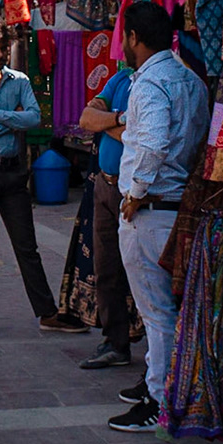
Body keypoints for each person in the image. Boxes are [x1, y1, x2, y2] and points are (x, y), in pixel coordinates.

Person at [110, 0, 210, 433]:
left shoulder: (151, 84)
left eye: (125, 36)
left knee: (157, 312)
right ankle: (160, 383)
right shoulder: (190, 79)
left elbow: (151, 144)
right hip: (177, 208)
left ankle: (160, 400)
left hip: (151, 210)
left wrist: (135, 194)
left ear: (134, 37)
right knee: (166, 309)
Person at [0, 21, 88, 338]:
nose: (0, 54)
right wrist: (14, 119)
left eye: (4, 48)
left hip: (13, 171)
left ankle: (47, 312)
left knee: (27, 246)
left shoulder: (20, 80)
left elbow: (34, 117)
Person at [76, 66, 138, 370]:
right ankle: (115, 342)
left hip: (134, 193)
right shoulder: (122, 78)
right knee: (107, 267)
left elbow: (138, 137)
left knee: (143, 272)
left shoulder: (154, 83)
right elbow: (87, 118)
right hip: (106, 184)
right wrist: (121, 119)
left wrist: (108, 122)